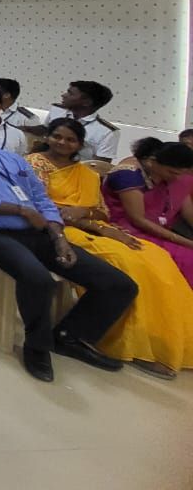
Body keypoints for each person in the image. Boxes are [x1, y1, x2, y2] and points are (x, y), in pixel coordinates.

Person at [0, 108, 137, 382]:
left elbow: (41, 200)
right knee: (38, 279)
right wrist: (21, 211)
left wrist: (59, 237)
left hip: (39, 232)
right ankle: (37, 345)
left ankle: (70, 336)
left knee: (119, 284)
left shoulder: (11, 159)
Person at [28, 119, 193, 377]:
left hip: (91, 227)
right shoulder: (33, 164)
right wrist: (90, 222)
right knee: (129, 267)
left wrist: (91, 217)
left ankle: (161, 340)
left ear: (80, 145)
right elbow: (39, 206)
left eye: (70, 139)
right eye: (57, 136)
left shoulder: (87, 173)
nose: (63, 143)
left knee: (157, 258)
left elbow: (102, 212)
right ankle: (128, 344)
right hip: (56, 230)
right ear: (47, 136)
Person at [103, 141, 193, 287]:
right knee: (187, 259)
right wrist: (188, 243)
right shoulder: (128, 174)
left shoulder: (169, 176)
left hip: (158, 230)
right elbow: (138, 220)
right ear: (152, 162)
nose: (177, 178)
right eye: (173, 173)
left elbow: (188, 211)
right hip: (126, 229)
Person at [44, 81, 119, 161]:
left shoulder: (107, 132)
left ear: (87, 102)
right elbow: (44, 132)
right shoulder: (57, 110)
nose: (63, 95)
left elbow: (100, 165)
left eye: (70, 94)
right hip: (44, 162)